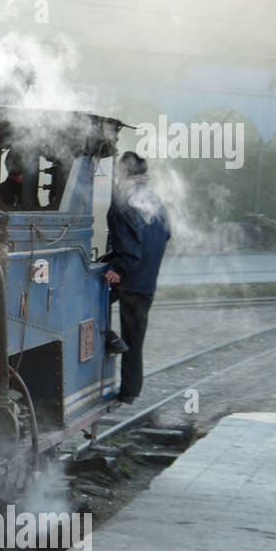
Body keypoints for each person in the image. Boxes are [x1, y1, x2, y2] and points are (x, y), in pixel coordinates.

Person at [101, 151, 171, 404]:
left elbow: (131, 247)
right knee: (135, 338)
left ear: (122, 173)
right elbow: (164, 236)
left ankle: (106, 340)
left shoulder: (123, 202)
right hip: (146, 281)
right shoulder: (157, 202)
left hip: (126, 279)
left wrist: (118, 267)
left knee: (87, 306)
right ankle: (130, 392)